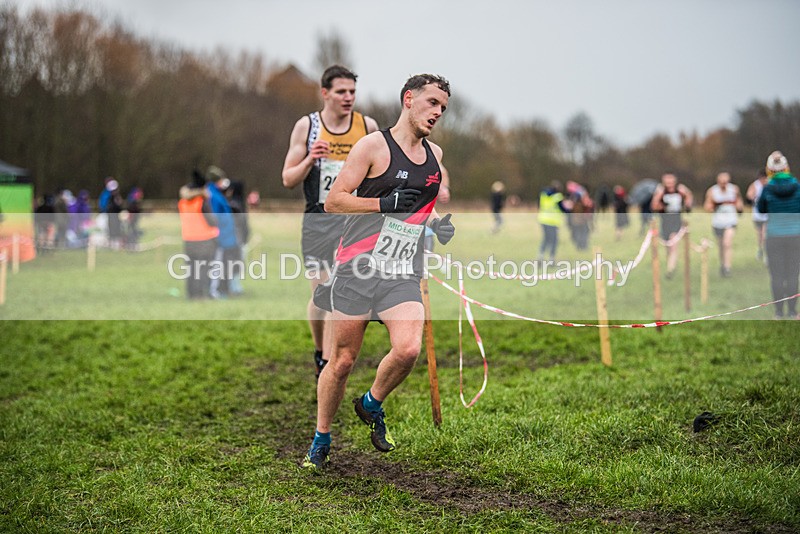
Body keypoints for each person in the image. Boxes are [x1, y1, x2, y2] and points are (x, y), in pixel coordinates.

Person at [301, 74, 454, 469]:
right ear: (409, 99)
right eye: (432, 103)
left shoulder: (435, 155)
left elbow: (419, 207)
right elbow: (335, 201)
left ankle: (371, 403)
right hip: (357, 268)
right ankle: (321, 438)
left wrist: (437, 224)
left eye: (443, 107)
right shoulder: (372, 146)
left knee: (408, 349)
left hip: (402, 270)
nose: (438, 112)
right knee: (342, 361)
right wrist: (382, 204)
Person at [281, 65, 379, 380]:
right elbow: (287, 179)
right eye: (341, 91)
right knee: (320, 295)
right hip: (318, 221)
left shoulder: (367, 126)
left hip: (354, 222)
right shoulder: (307, 126)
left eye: (352, 91)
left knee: (339, 292)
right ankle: (319, 351)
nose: (348, 97)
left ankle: (328, 362)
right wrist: (311, 158)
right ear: (325, 93)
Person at [756, 151, 800, 319]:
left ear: (770, 169)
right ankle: (793, 311)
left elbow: (761, 209)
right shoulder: (797, 186)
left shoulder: (767, 188)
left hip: (774, 236)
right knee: (793, 274)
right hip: (795, 236)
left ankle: (779, 312)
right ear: (786, 167)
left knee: (777, 276)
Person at [177, 170, 218, 299]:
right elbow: (212, 221)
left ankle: (192, 294)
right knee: (203, 269)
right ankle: (201, 294)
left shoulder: (183, 202)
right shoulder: (202, 201)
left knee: (191, 269)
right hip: (204, 239)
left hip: (189, 239)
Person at [651, 173, 693, 278]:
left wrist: (687, 197)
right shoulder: (661, 192)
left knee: (673, 243)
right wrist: (658, 196)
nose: (669, 185)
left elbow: (689, 200)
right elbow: (654, 206)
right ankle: (671, 264)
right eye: (667, 183)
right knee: (668, 246)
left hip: (676, 220)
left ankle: (670, 270)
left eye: (671, 182)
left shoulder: (680, 190)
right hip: (665, 221)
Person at [206, 166, 239, 299]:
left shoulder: (218, 194)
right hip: (220, 237)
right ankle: (215, 291)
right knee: (217, 265)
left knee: (225, 265)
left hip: (226, 237)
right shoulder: (212, 195)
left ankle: (223, 289)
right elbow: (214, 218)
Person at [704, 172, 743, 277]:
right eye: (721, 182)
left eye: (725, 182)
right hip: (718, 222)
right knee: (721, 246)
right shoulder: (712, 191)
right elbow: (707, 207)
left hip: (731, 221)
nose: (723, 184)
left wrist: (739, 208)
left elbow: (739, 203)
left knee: (727, 243)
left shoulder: (734, 189)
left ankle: (727, 267)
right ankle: (723, 264)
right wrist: (714, 205)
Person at [537, 181, 568, 262]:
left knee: (546, 239)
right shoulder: (558, 197)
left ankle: (540, 256)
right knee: (554, 240)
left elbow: (539, 205)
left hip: (543, 220)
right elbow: (563, 209)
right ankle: (551, 258)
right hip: (552, 222)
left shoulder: (543, 195)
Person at [746, 169, 770, 262]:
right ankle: (760, 250)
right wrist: (755, 199)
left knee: (764, 235)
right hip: (757, 215)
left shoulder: (770, 185)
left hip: (767, 215)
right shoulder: (755, 185)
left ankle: (767, 255)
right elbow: (749, 196)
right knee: (760, 235)